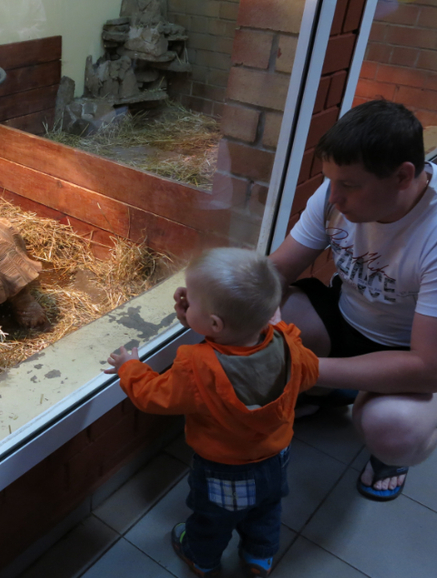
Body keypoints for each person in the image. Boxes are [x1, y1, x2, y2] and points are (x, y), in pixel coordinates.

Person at [105, 247, 319, 577]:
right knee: (266, 509)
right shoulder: (289, 344)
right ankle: (259, 557)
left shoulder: (196, 365)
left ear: (215, 323)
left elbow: (152, 396)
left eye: (192, 299)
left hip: (224, 469)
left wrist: (129, 367)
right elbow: (310, 371)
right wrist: (198, 313)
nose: (185, 299)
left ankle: (201, 558)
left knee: (213, 517)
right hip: (276, 457)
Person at [269, 99, 437, 501]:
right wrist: (221, 299)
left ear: (403, 176)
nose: (334, 196)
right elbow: (275, 272)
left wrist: (304, 368)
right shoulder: (333, 196)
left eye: (350, 184)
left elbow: (426, 367)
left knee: (393, 427)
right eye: (330, 180)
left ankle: (393, 453)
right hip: (347, 317)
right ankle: (336, 389)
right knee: (254, 316)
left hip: (411, 350)